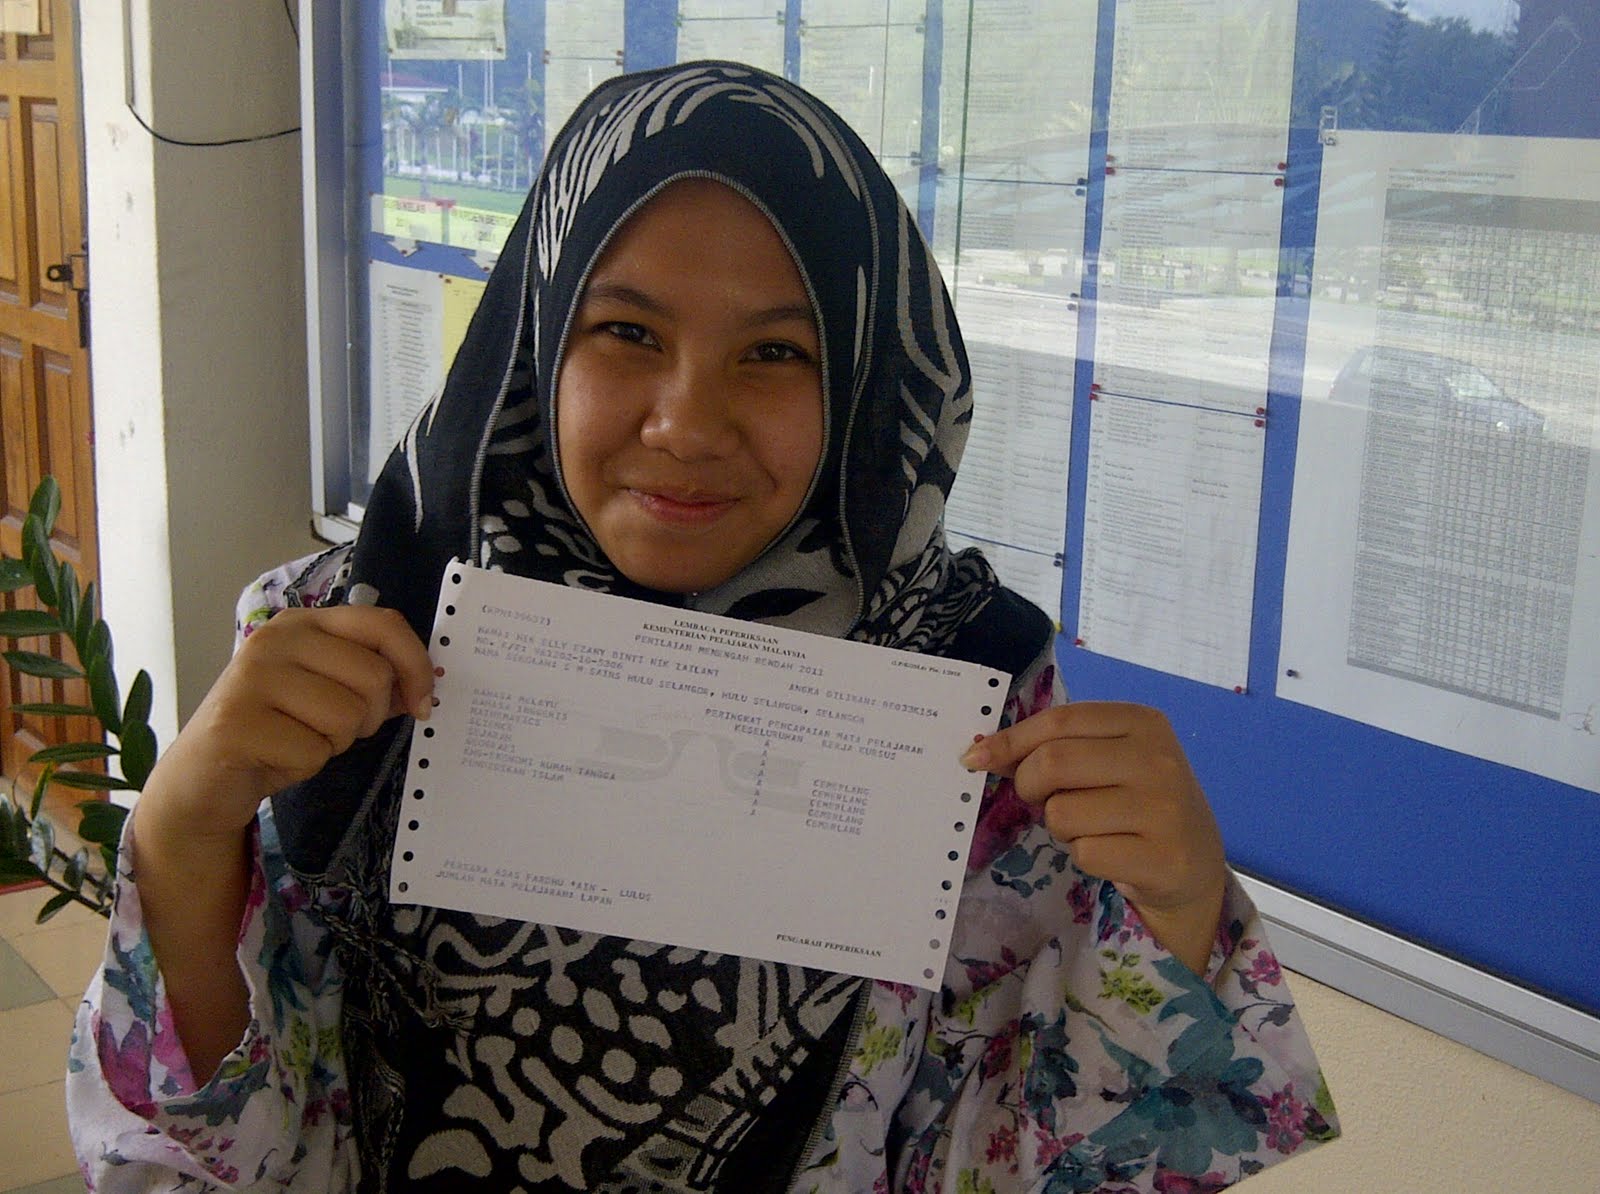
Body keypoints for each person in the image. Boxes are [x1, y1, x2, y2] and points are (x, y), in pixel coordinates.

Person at [68, 61, 1336, 1192]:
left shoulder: (967, 711)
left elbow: (1012, 1161)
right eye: (625, 332)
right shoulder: (347, 640)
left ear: (867, 382)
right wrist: (184, 832)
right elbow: (206, 1156)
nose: (684, 422)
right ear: (536, 343)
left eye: (776, 355)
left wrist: (1174, 906)